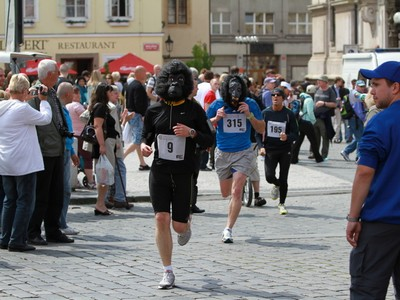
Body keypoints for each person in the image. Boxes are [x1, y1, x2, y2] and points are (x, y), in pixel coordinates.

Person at [140, 60, 214, 289]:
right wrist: (144, 145)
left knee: (178, 227)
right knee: (160, 218)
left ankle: (186, 223)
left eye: (179, 80)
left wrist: (191, 132)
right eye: (170, 80)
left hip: (184, 173)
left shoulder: (194, 110)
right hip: (160, 170)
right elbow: (146, 136)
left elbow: (209, 140)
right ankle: (167, 271)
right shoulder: (154, 109)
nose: (174, 84)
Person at [346, 61, 400, 298]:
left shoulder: (381, 121)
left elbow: (364, 172)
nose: (371, 91)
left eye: (377, 85)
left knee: (367, 291)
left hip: (382, 222)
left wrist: (353, 216)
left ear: (395, 87)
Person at [206, 75, 265, 243]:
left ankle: (228, 229)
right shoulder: (218, 104)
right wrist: (216, 119)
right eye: (232, 91)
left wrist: (249, 115)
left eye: (238, 90)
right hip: (223, 153)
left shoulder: (250, 104)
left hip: (244, 152)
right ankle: (236, 187)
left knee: (236, 191)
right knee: (226, 193)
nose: (235, 95)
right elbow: (203, 126)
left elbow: (261, 128)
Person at [0, 74, 52, 252]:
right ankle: (17, 240)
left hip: (6, 161)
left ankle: (5, 237)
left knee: (10, 200)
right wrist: (44, 101)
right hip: (24, 162)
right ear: (24, 91)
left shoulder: (3, 106)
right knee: (25, 201)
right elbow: (45, 119)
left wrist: (25, 97)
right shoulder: (22, 108)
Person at [27, 59, 74, 245]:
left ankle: (53, 229)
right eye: (56, 72)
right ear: (49, 74)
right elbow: (33, 122)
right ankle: (33, 231)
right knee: (41, 194)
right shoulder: (34, 93)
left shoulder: (52, 92)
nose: (59, 75)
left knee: (56, 193)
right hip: (44, 150)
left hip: (57, 149)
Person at [259, 88, 299, 215]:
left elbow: (296, 134)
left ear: (283, 98)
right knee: (269, 176)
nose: (275, 97)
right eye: (273, 95)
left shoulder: (288, 114)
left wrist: (287, 137)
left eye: (278, 95)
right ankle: (276, 184)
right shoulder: (265, 113)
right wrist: (261, 146)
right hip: (270, 149)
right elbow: (257, 133)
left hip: (285, 149)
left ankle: (282, 203)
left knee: (284, 177)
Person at [89, 83, 119, 216]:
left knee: (104, 175)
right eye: (109, 91)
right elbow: (97, 126)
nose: (111, 94)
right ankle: (100, 204)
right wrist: (102, 145)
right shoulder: (101, 107)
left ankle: (100, 203)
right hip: (104, 144)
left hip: (106, 143)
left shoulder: (101, 106)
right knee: (104, 175)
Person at [57, 82, 80, 235]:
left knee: (64, 189)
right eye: (72, 93)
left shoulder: (63, 108)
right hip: (61, 151)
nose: (75, 95)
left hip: (66, 150)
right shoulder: (59, 109)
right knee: (64, 189)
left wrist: (72, 151)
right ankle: (61, 223)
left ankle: (61, 221)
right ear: (67, 94)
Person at [106, 85, 133, 209]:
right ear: (109, 94)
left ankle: (113, 197)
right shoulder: (111, 107)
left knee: (113, 169)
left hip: (112, 142)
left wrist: (124, 120)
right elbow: (116, 129)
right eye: (115, 93)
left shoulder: (111, 106)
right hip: (113, 143)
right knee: (118, 169)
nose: (118, 95)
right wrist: (124, 121)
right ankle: (118, 198)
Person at [66, 85, 96, 189]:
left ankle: (74, 181)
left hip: (71, 135)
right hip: (81, 135)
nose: (79, 95)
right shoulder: (77, 106)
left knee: (73, 159)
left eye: (78, 93)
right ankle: (91, 181)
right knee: (87, 158)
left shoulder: (67, 106)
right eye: (76, 93)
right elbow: (87, 117)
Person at [124, 65, 150, 170]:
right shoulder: (138, 86)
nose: (146, 74)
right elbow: (138, 102)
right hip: (138, 115)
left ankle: (142, 163)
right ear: (138, 73)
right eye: (144, 72)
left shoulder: (131, 85)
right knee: (137, 140)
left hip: (132, 114)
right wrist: (144, 115)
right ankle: (122, 157)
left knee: (138, 140)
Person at [291, 92, 323, 164]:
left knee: (299, 141)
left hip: (300, 122)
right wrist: (314, 121)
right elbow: (310, 112)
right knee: (313, 141)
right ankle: (318, 157)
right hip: (307, 123)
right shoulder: (309, 100)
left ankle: (293, 158)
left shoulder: (302, 98)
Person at [340, 80, 367, 162]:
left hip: (356, 119)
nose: (362, 88)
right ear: (356, 86)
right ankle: (359, 157)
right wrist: (365, 119)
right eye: (360, 86)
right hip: (355, 119)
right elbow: (359, 108)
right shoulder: (355, 94)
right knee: (360, 139)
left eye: (363, 86)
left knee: (358, 137)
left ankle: (346, 151)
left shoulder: (354, 93)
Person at [312, 75, 337, 160]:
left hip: (325, 117)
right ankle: (314, 153)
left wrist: (324, 103)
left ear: (326, 82)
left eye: (320, 81)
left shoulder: (330, 91)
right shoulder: (316, 89)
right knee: (315, 136)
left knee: (325, 135)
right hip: (315, 116)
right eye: (318, 80)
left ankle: (324, 154)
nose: (318, 82)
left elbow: (334, 104)